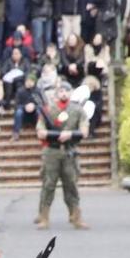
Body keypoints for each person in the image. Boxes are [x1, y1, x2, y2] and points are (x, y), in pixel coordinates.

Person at [33, 78, 85, 229]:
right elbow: (40, 132)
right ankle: (44, 217)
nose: (63, 93)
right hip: (52, 151)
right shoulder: (49, 110)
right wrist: (54, 135)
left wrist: (70, 134)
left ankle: (76, 216)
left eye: (66, 91)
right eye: (60, 91)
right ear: (56, 94)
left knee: (71, 185)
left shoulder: (77, 110)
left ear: (71, 92)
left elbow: (84, 131)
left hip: (69, 151)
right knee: (48, 184)